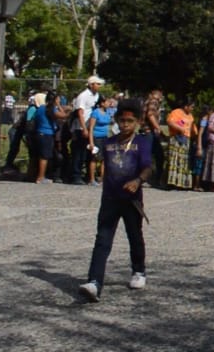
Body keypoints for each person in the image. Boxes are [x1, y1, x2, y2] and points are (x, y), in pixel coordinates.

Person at [78, 99, 153, 303]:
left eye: (130, 121)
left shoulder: (141, 144)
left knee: (134, 236)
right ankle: (94, 282)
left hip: (132, 200)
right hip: (110, 199)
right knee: (102, 240)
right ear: (117, 120)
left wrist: (138, 181)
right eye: (122, 120)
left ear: (136, 122)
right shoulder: (110, 143)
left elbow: (148, 167)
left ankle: (139, 271)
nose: (125, 124)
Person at [69, 76, 104, 185]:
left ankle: (86, 175)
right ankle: (75, 175)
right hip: (80, 127)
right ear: (91, 84)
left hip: (90, 126)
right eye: (97, 84)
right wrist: (84, 128)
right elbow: (80, 112)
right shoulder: (83, 96)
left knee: (86, 152)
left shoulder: (96, 96)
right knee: (78, 152)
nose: (99, 86)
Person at [164, 100, 194, 191]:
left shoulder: (190, 116)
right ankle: (172, 183)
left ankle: (181, 183)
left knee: (183, 162)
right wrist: (180, 129)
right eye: (191, 107)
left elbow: (192, 128)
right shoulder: (176, 112)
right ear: (186, 106)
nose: (192, 109)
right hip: (176, 139)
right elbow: (170, 122)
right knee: (174, 160)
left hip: (186, 140)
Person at [86, 99, 113, 187]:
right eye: (107, 102)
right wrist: (91, 142)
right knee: (94, 158)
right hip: (96, 137)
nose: (109, 103)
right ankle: (92, 179)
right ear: (102, 103)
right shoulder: (95, 113)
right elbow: (91, 128)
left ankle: (102, 179)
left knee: (104, 158)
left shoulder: (108, 112)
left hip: (105, 137)